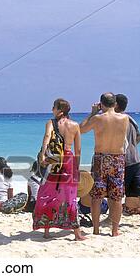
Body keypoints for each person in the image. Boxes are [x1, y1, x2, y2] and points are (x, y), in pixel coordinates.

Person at [33, 99, 87, 241]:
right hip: (68, 160)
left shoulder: (51, 122)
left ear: (60, 111)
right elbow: (78, 149)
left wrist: (43, 154)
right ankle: (77, 234)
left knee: (47, 193)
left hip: (54, 160)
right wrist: (76, 168)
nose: (52, 110)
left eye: (54, 107)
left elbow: (46, 137)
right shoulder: (75, 125)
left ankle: (46, 231)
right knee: (70, 196)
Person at [80, 92, 129, 236]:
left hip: (100, 158)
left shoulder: (97, 118)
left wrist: (92, 113)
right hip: (118, 158)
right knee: (116, 196)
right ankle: (115, 230)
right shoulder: (124, 118)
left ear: (101, 104)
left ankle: (96, 229)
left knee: (97, 196)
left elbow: (81, 130)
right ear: (115, 104)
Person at [114, 94, 140, 228]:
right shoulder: (132, 119)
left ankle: (112, 219)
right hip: (135, 159)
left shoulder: (118, 120)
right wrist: (132, 147)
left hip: (123, 160)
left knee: (117, 193)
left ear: (115, 105)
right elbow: (139, 138)